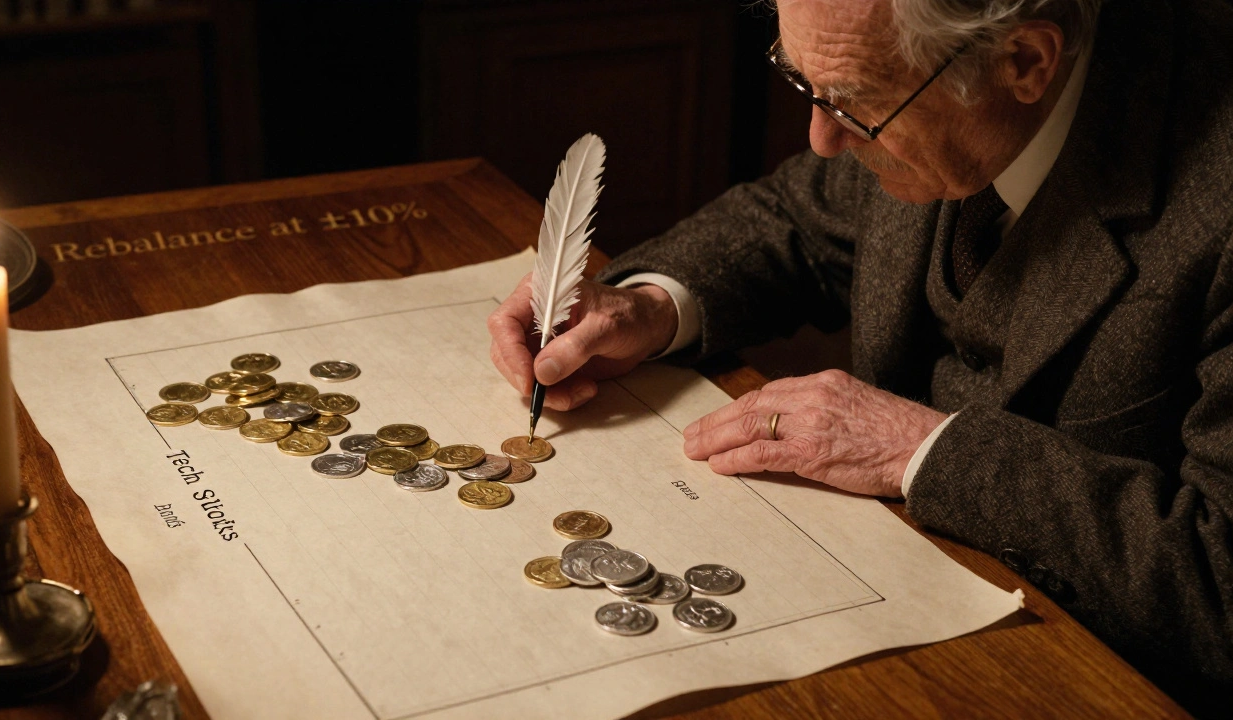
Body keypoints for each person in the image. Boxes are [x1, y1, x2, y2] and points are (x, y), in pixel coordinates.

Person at [486, 0, 1232, 712]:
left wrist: (922, 451)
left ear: (1027, 62)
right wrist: (650, 306)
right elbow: (802, 219)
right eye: (799, 79)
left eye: (849, 103)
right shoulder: (916, 71)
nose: (819, 136)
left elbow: (1219, 585)